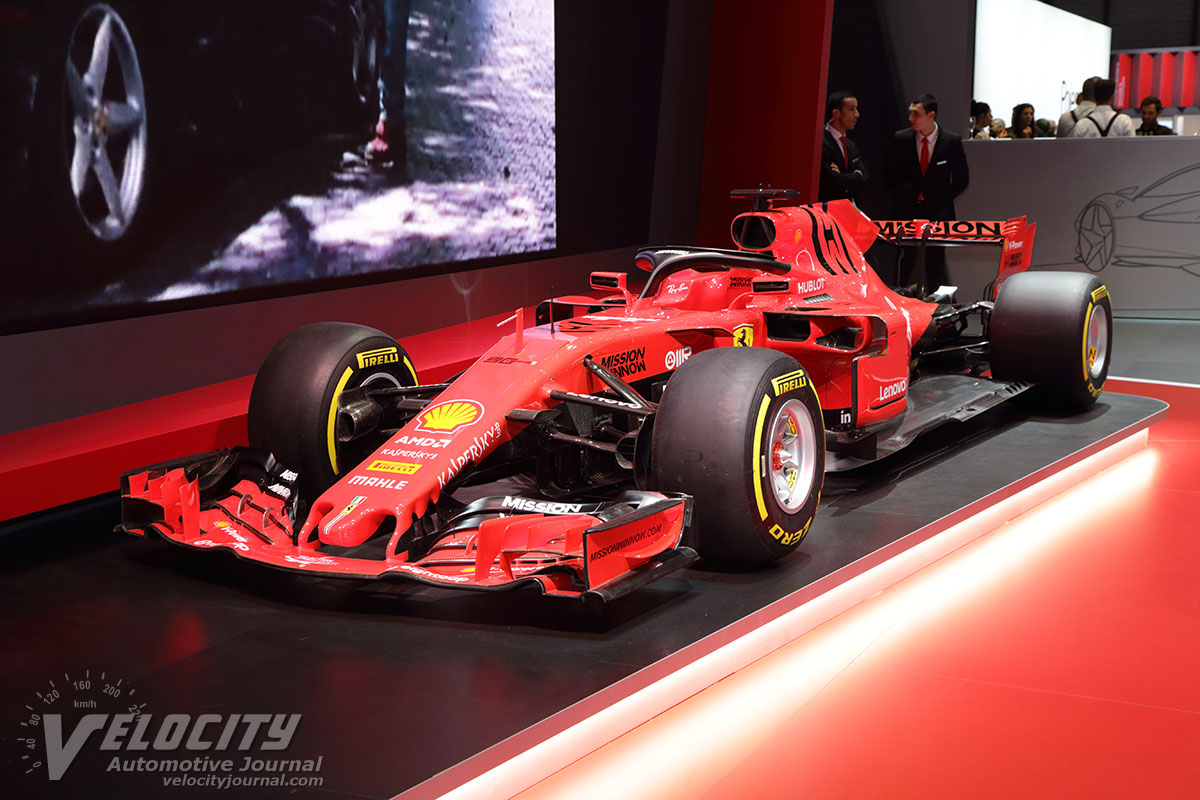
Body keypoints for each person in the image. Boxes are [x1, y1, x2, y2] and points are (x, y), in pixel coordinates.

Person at [883, 93, 969, 290]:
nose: (911, 118)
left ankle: (936, 304)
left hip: (938, 214)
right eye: (910, 113)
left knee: (935, 264)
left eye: (916, 114)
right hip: (907, 212)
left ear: (931, 115)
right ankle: (901, 300)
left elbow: (962, 179)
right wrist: (904, 195)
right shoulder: (901, 139)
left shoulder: (951, 141)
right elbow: (889, 174)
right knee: (905, 262)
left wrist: (940, 198)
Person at [818, 91, 869, 203]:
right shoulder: (820, 142)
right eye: (851, 109)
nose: (857, 114)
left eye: (856, 109)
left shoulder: (850, 144)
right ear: (836, 113)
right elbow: (833, 181)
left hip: (850, 205)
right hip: (828, 207)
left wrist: (843, 176)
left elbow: (865, 176)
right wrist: (857, 174)